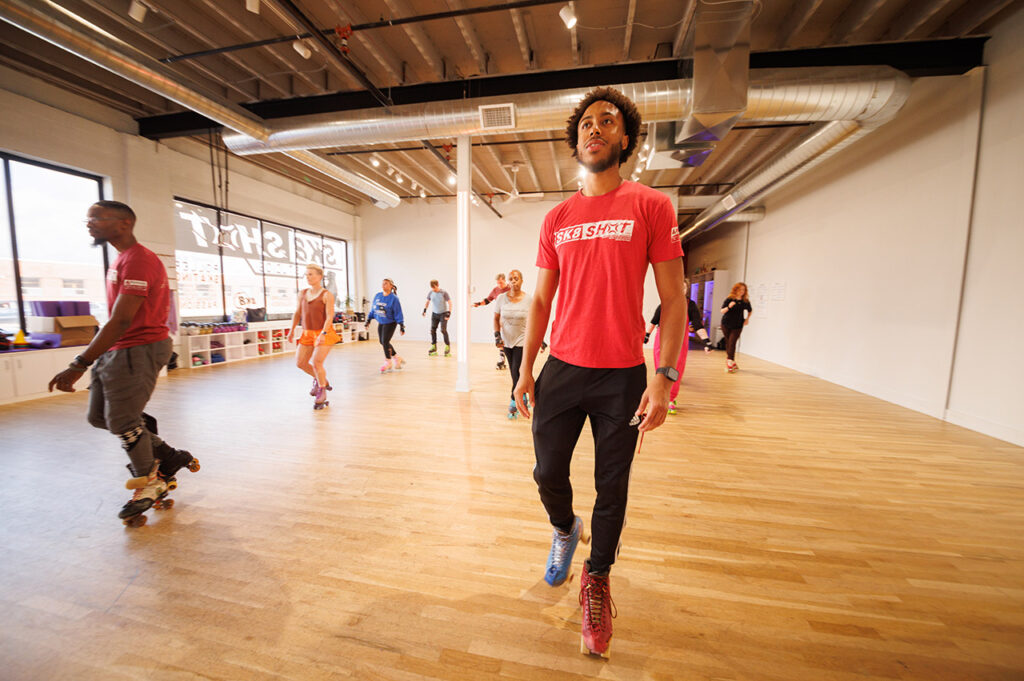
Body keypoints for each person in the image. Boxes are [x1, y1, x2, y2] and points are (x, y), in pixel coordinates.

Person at [513, 87, 685, 658]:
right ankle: (565, 528)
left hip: (622, 377)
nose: (595, 129)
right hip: (560, 367)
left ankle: (598, 579)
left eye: (608, 122)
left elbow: (674, 298)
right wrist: (527, 367)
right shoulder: (557, 216)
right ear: (576, 140)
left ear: (625, 141)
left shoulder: (651, 206)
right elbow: (540, 300)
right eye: (587, 123)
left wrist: (663, 374)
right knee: (545, 474)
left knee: (613, 487)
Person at [48, 201, 198, 526]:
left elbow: (122, 319)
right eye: (88, 218)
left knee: (122, 421)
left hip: (139, 347)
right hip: (118, 348)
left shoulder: (140, 261)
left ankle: (150, 481)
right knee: (99, 417)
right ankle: (169, 456)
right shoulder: (121, 259)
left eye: (98, 218)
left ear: (125, 222)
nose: (90, 223)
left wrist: (80, 362)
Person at [644, 280, 713, 414]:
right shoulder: (665, 302)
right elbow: (654, 321)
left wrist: (707, 341)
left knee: (676, 368)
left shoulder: (690, 305)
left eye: (684, 287)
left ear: (686, 289)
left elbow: (697, 325)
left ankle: (671, 398)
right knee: (660, 369)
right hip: (662, 339)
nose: (681, 289)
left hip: (680, 340)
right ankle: (658, 397)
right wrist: (647, 335)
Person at [286, 263, 340, 409]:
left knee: (317, 362)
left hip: (324, 332)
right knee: (300, 363)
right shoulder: (302, 293)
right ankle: (321, 379)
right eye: (307, 274)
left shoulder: (326, 295)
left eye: (311, 274)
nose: (308, 277)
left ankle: (322, 391)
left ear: (320, 276)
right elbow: (298, 313)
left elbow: (330, 316)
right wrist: (291, 330)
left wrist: (323, 333)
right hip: (307, 333)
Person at [493, 269, 531, 419]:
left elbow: (535, 320)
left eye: (516, 278)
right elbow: (496, 319)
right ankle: (524, 397)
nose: (513, 281)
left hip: (523, 340)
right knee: (515, 373)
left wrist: (539, 340)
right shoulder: (501, 298)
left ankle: (514, 402)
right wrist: (497, 337)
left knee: (516, 371)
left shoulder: (529, 299)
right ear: (508, 281)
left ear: (521, 280)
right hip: (507, 342)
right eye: (511, 279)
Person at [365, 278, 405, 373]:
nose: (383, 285)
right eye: (383, 283)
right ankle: (396, 357)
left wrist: (401, 325)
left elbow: (398, 312)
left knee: (385, 341)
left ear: (391, 286)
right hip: (381, 321)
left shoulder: (394, 298)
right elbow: (373, 309)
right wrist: (368, 320)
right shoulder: (378, 296)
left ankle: (388, 362)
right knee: (382, 342)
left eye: (386, 284)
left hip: (391, 322)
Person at [473, 272, 511, 369]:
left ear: (505, 280)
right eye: (498, 283)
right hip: (500, 315)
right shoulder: (495, 290)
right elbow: (487, 300)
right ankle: (502, 359)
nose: (499, 285)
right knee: (499, 338)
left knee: (509, 339)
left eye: (501, 283)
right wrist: (478, 303)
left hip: (511, 315)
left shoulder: (510, 288)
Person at [720, 282, 753, 373]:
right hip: (726, 324)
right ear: (736, 289)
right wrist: (729, 306)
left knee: (732, 342)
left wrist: (747, 319)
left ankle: (729, 361)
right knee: (728, 342)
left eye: (743, 290)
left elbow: (750, 310)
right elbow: (722, 311)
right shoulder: (729, 299)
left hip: (738, 325)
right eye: (740, 289)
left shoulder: (745, 301)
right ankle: (731, 361)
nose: (742, 291)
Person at [422, 279, 452, 357]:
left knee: (443, 330)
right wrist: (425, 310)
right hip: (434, 314)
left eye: (434, 287)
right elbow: (427, 301)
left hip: (443, 313)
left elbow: (450, 302)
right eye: (432, 288)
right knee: (432, 330)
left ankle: (447, 346)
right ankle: (434, 346)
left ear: (438, 285)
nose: (433, 289)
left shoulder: (444, 293)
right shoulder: (431, 293)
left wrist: (449, 312)